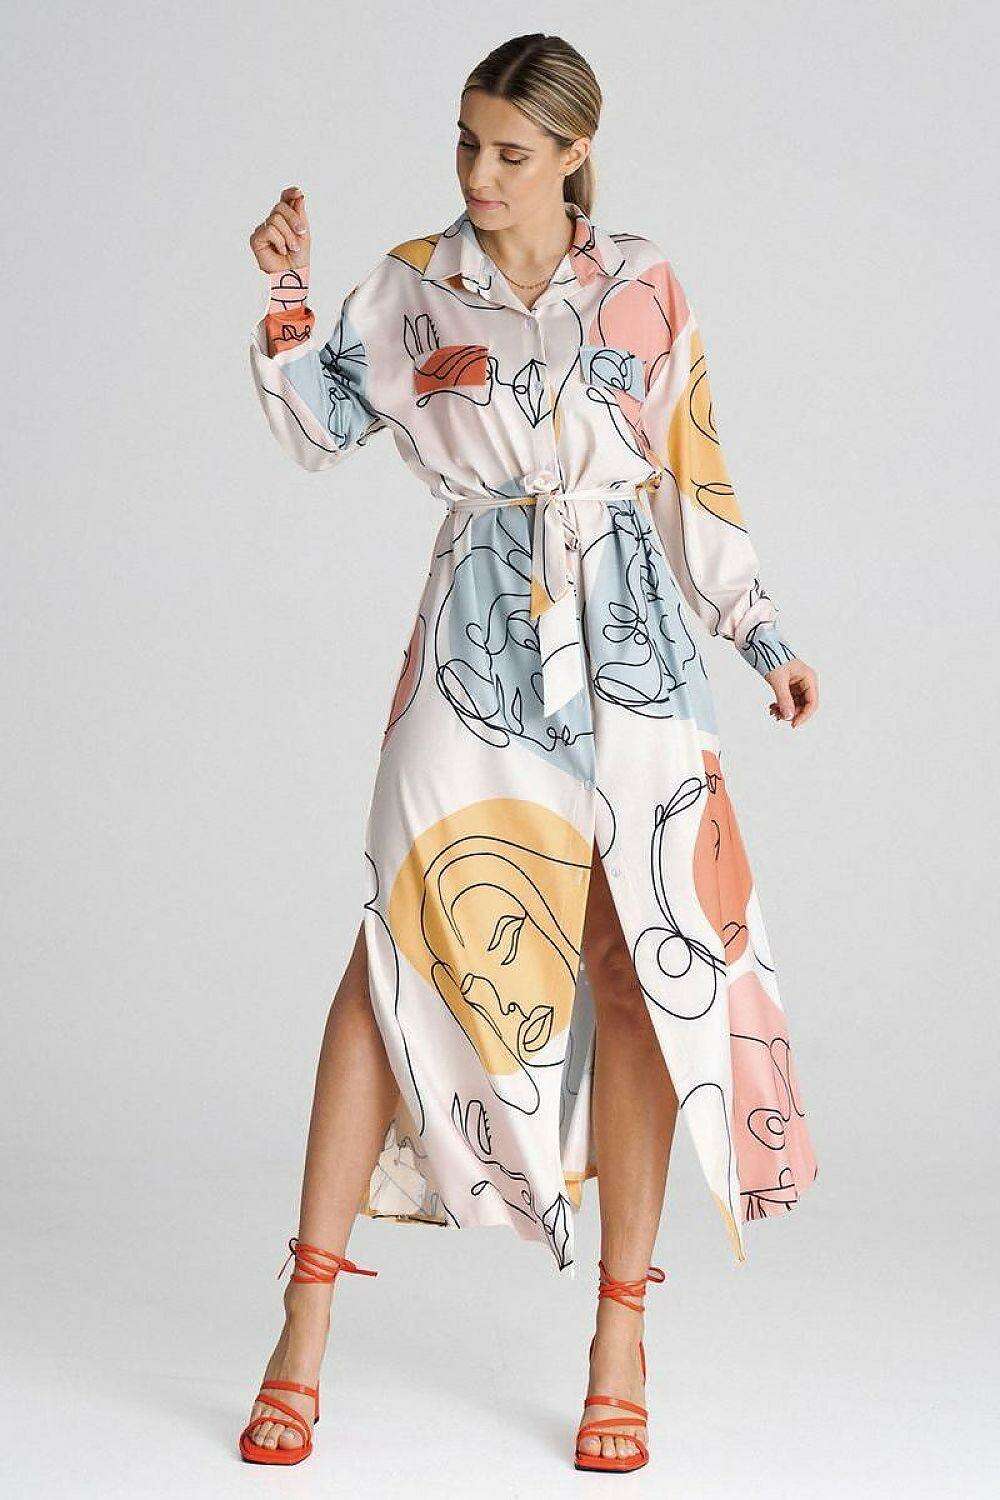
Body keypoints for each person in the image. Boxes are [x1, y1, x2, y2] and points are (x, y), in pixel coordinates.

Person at [238, 32, 820, 1476]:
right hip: (477, 638)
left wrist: (759, 634)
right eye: (466, 143)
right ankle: (302, 1324)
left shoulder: (644, 281)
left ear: (573, 153)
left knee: (633, 964)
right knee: (397, 947)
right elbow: (318, 426)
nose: (479, 174)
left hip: (633, 644)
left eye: (510, 151)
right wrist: (289, 296)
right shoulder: (415, 281)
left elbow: (690, 466)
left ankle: (620, 1335)